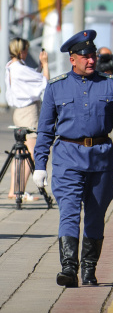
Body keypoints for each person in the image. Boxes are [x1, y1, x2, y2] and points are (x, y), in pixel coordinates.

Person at [33, 30, 113, 288]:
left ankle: (89, 269)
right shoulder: (56, 87)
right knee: (68, 211)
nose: (91, 60)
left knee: (95, 214)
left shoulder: (111, 84)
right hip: (67, 158)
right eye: (85, 56)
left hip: (101, 160)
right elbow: (45, 129)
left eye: (93, 55)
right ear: (72, 59)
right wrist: (39, 165)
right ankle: (69, 267)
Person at [4, 37, 49, 201]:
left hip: (19, 112)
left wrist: (39, 66)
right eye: (26, 50)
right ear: (21, 50)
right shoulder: (19, 68)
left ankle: (14, 190)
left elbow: (33, 79)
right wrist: (45, 64)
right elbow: (45, 82)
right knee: (32, 153)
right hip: (28, 112)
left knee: (20, 152)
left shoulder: (10, 66)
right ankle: (19, 191)